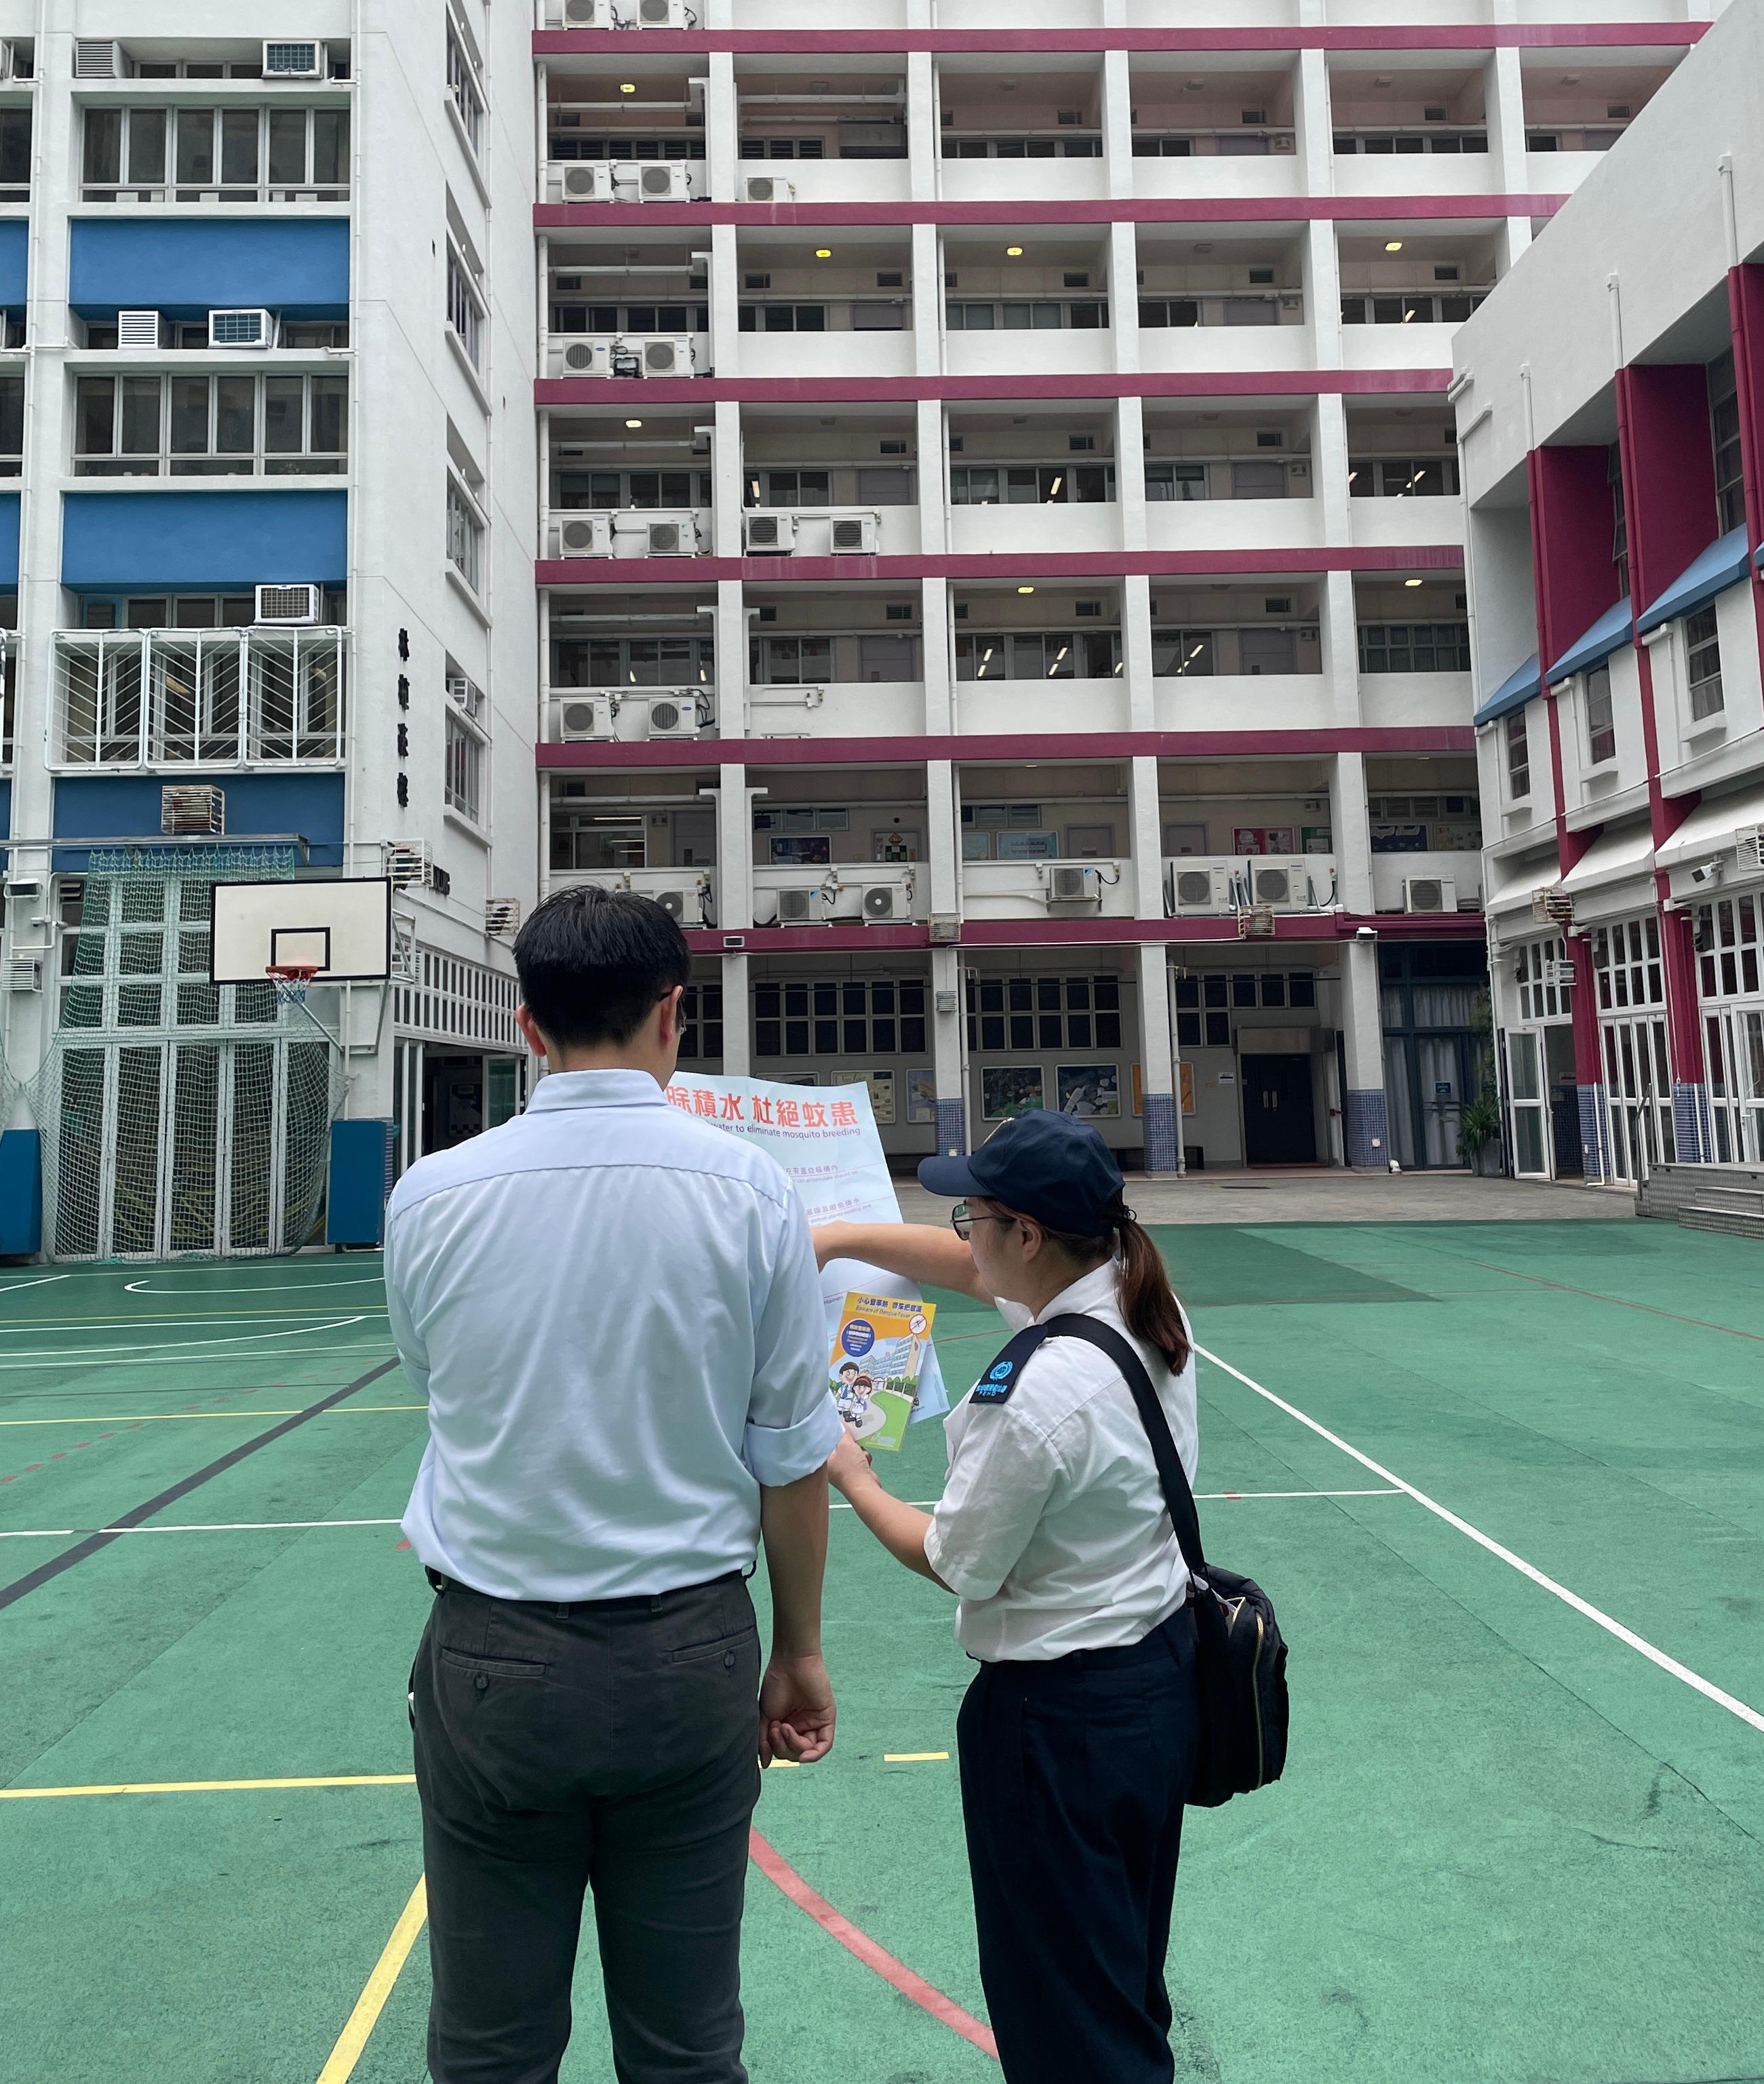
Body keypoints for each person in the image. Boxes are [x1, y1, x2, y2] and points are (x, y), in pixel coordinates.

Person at [384, 886, 844, 2084]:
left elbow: (430, 1373)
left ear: (527, 1025)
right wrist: (795, 1649)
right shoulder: (751, 1194)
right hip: (685, 1655)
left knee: (488, 2045)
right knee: (687, 2046)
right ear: (673, 1014)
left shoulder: (429, 1197)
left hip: (490, 1658)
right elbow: (790, 1461)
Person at [815, 1111, 1199, 2084]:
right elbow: (966, 1272)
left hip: (1054, 1725)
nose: (959, 1234)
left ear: (1024, 1233)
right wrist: (839, 1237)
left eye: (968, 1214)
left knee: (1064, 2025)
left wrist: (851, 1474)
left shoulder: (1035, 1387)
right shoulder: (1132, 1300)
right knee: (1114, 1980)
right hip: (1154, 1686)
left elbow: (956, 1558)